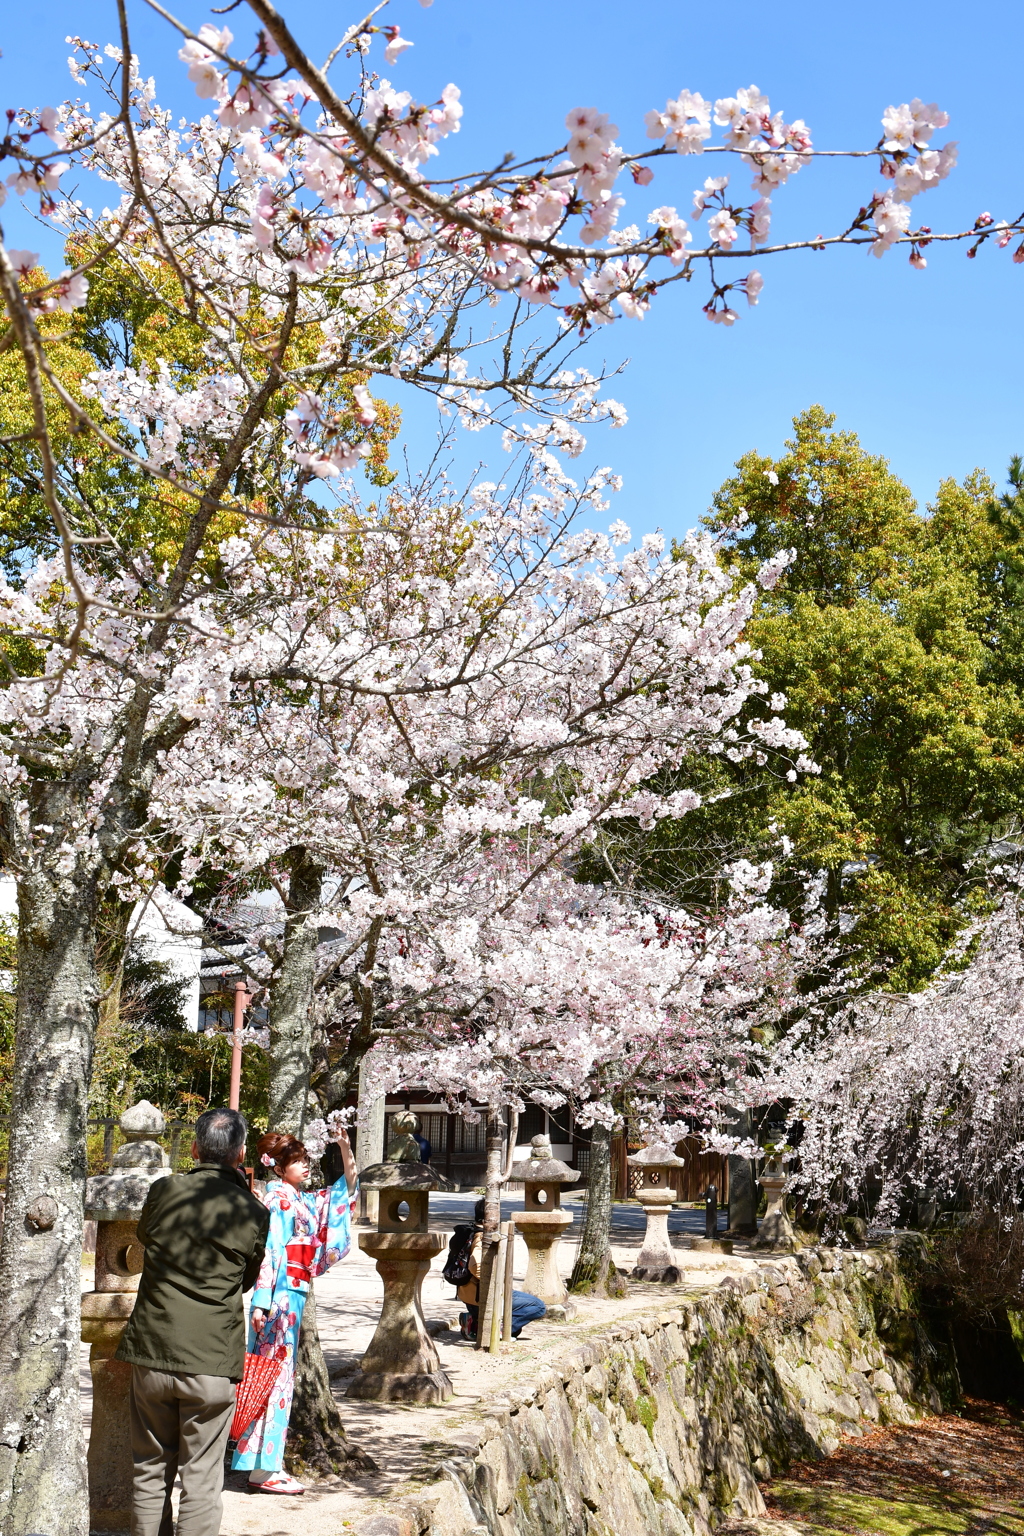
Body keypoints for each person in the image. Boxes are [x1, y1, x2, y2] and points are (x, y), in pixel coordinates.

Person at [116, 1106, 270, 1536]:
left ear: (197, 1147)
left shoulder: (165, 1191)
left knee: (148, 1469)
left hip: (153, 1347)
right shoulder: (254, 1212)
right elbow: (246, 1282)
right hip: (211, 1358)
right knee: (202, 1477)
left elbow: (145, 1237)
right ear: (239, 1155)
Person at [231, 1124, 357, 1495]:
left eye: (305, 1160)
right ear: (278, 1166)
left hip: (293, 1295)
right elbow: (271, 1252)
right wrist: (261, 1301)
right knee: (274, 1377)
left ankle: (263, 1465)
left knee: (276, 1377)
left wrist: (345, 1147)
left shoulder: (300, 1199)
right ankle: (264, 1469)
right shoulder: (279, 1201)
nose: (305, 1166)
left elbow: (345, 1190)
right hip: (280, 1297)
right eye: (297, 1161)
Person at [456, 1198, 547, 1340]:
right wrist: (494, 1283)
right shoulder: (481, 1237)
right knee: (538, 1306)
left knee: (516, 1331)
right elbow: (476, 1266)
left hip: (468, 1296)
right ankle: (496, 1329)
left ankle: (473, 1322)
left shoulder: (469, 1233)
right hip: (482, 1296)